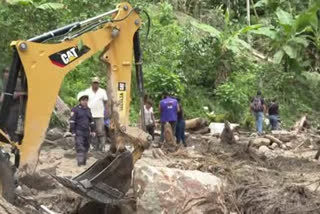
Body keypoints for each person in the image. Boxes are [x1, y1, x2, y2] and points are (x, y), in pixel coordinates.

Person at [70, 91, 95, 166]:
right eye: (83, 100)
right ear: (80, 101)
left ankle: (84, 162)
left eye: (86, 100)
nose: (85, 102)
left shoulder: (88, 109)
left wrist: (93, 130)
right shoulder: (75, 109)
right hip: (79, 131)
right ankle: (80, 163)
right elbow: (72, 121)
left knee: (86, 146)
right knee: (80, 146)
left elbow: (91, 121)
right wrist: (73, 131)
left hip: (87, 132)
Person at [85, 77, 108, 151]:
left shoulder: (102, 91)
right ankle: (92, 148)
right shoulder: (87, 91)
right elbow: (84, 102)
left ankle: (102, 147)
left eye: (97, 83)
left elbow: (105, 102)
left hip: (99, 115)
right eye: (94, 83)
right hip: (89, 115)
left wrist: (105, 111)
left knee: (100, 131)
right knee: (90, 131)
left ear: (99, 84)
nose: (95, 84)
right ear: (92, 83)